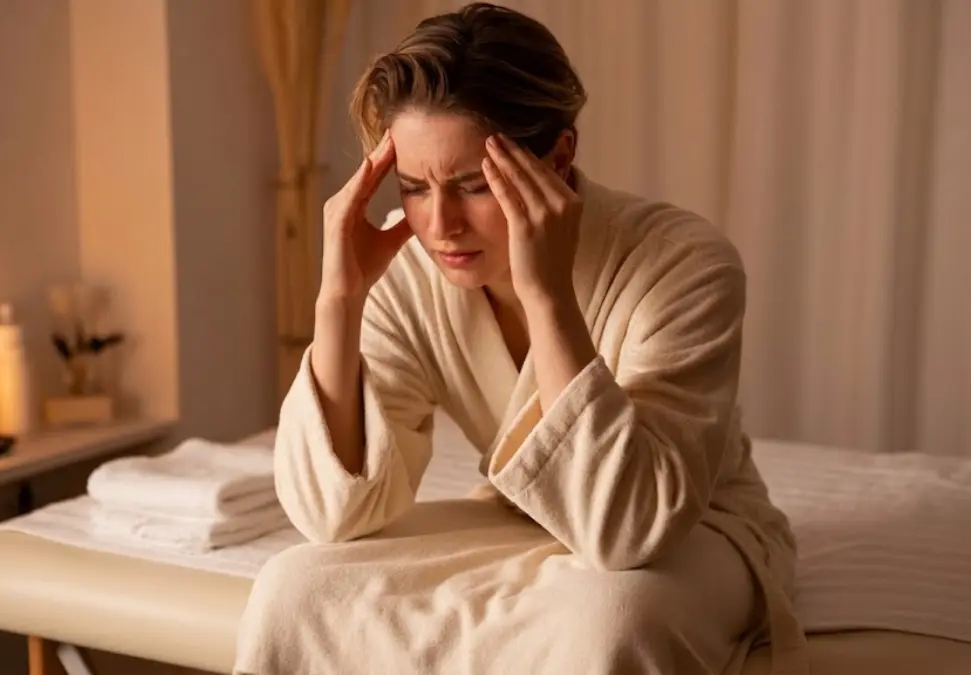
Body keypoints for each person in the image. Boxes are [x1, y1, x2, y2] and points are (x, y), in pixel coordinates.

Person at [235, 3, 806, 674]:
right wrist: (340, 299)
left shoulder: (685, 261)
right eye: (413, 186)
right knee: (292, 585)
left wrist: (547, 294)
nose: (440, 223)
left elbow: (625, 529)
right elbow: (335, 514)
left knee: (615, 619)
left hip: (692, 528)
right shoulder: (410, 266)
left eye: (473, 185)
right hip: (523, 516)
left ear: (559, 155)